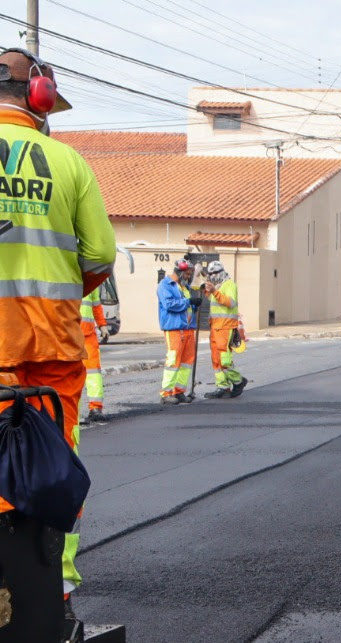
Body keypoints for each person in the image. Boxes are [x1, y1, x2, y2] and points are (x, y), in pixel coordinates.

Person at [0, 46, 111, 641]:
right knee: (51, 467)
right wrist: (63, 294)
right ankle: (54, 597)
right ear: (39, 97)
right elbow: (100, 255)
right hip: (50, 344)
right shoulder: (67, 162)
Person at [156, 259, 202, 404]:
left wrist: (194, 305)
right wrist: (189, 302)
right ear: (180, 272)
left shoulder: (184, 287)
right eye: (187, 274)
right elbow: (169, 304)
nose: (188, 277)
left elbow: (187, 307)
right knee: (173, 361)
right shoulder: (165, 285)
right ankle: (166, 393)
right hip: (174, 329)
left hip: (188, 329)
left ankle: (179, 391)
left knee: (186, 362)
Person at [201, 261, 247, 399]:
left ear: (221, 272)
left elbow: (230, 303)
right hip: (215, 327)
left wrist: (214, 291)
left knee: (224, 359)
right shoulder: (218, 286)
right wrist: (204, 283)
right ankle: (222, 386)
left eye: (215, 273)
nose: (213, 276)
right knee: (216, 359)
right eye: (211, 274)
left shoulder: (229, 284)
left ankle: (238, 381)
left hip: (225, 327)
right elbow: (209, 296)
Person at [80, 287, 111, 424]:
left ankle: (96, 408)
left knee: (93, 372)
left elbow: (96, 305)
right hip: (68, 335)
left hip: (87, 335)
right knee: (70, 374)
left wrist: (102, 325)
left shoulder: (91, 281)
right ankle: (70, 413)